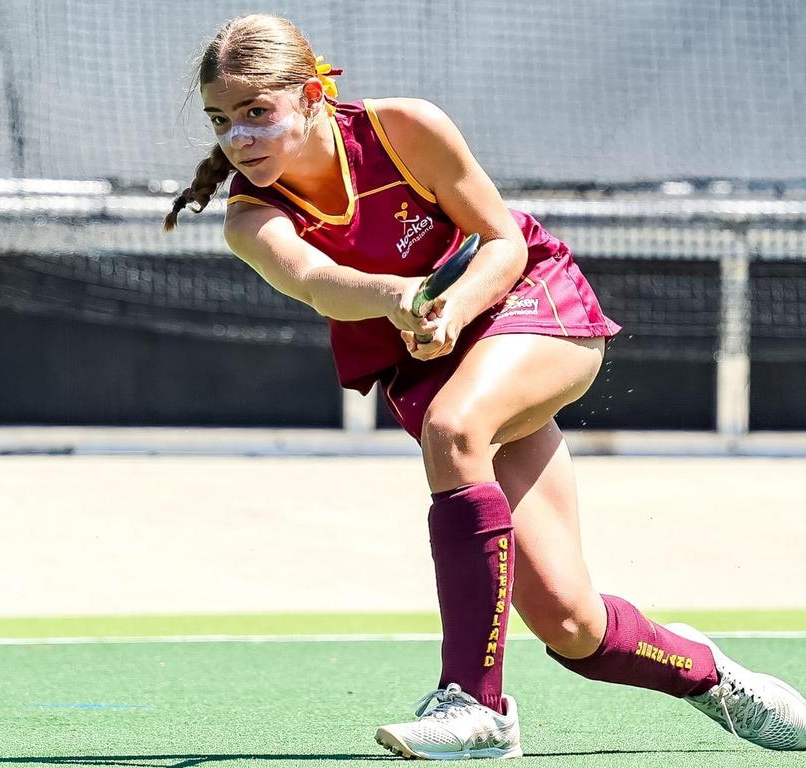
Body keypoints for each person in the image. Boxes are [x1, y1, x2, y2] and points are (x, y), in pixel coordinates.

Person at [164, 14, 806, 760]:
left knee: (453, 428)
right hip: (436, 364)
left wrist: (454, 304)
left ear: (309, 95)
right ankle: (713, 677)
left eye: (255, 114)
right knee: (571, 626)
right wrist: (401, 300)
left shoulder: (403, 128)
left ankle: (477, 704)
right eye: (222, 121)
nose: (240, 138)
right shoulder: (250, 218)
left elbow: (500, 239)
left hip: (530, 308)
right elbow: (319, 282)